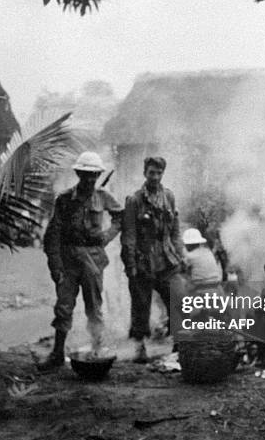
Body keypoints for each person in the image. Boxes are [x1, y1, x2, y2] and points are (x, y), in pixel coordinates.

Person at [38, 151, 123, 371]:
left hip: (93, 259)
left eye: (94, 175)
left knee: (94, 308)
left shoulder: (103, 196)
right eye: (86, 174)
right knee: (64, 307)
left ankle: (96, 349)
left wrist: (106, 236)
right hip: (69, 259)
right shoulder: (65, 199)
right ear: (78, 173)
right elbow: (53, 235)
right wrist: (56, 267)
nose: (90, 179)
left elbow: (120, 217)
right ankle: (57, 354)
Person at [121, 157, 185, 363]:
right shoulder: (134, 200)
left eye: (158, 173)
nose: (155, 177)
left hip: (166, 259)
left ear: (163, 174)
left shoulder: (169, 197)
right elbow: (129, 234)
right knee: (141, 304)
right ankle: (140, 347)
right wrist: (130, 264)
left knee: (177, 299)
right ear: (144, 173)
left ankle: (180, 342)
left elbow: (175, 229)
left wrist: (180, 254)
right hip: (143, 259)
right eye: (151, 173)